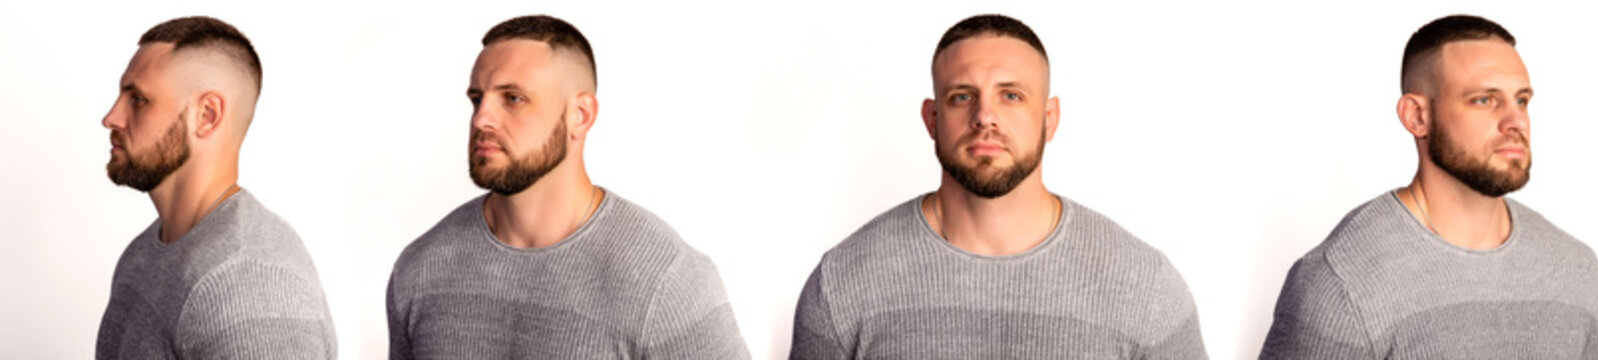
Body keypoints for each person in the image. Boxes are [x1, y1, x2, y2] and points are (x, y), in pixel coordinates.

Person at [789, 14, 1206, 359]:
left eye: (1010, 96)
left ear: (1049, 117)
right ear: (932, 119)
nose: (985, 115)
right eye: (962, 96)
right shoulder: (843, 285)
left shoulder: (1146, 289)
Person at [386, 14, 749, 359]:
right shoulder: (421, 268)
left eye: (513, 98)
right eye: (477, 98)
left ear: (581, 115)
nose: (482, 118)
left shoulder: (666, 281)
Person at [1259, 14, 1598, 359]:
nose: (1516, 121)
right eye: (1484, 100)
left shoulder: (1574, 270)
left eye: (1521, 100)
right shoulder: (1341, 285)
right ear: (1417, 116)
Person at [96, 15, 337, 359]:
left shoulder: (249, 283)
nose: (111, 117)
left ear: (206, 115)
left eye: (138, 100)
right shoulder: (143, 255)